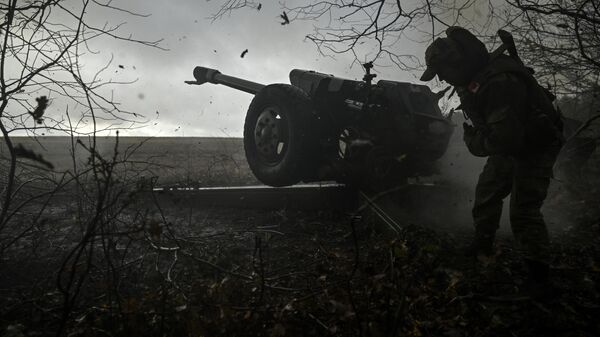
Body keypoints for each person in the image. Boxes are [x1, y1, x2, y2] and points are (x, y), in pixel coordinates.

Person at [420, 27, 563, 289]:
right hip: (513, 142)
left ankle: (539, 275)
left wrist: (474, 142)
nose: (443, 78)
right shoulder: (475, 79)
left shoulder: (499, 82)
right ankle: (482, 244)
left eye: (443, 71)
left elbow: (504, 139)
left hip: (536, 145)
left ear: (457, 62)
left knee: (523, 210)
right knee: (487, 190)